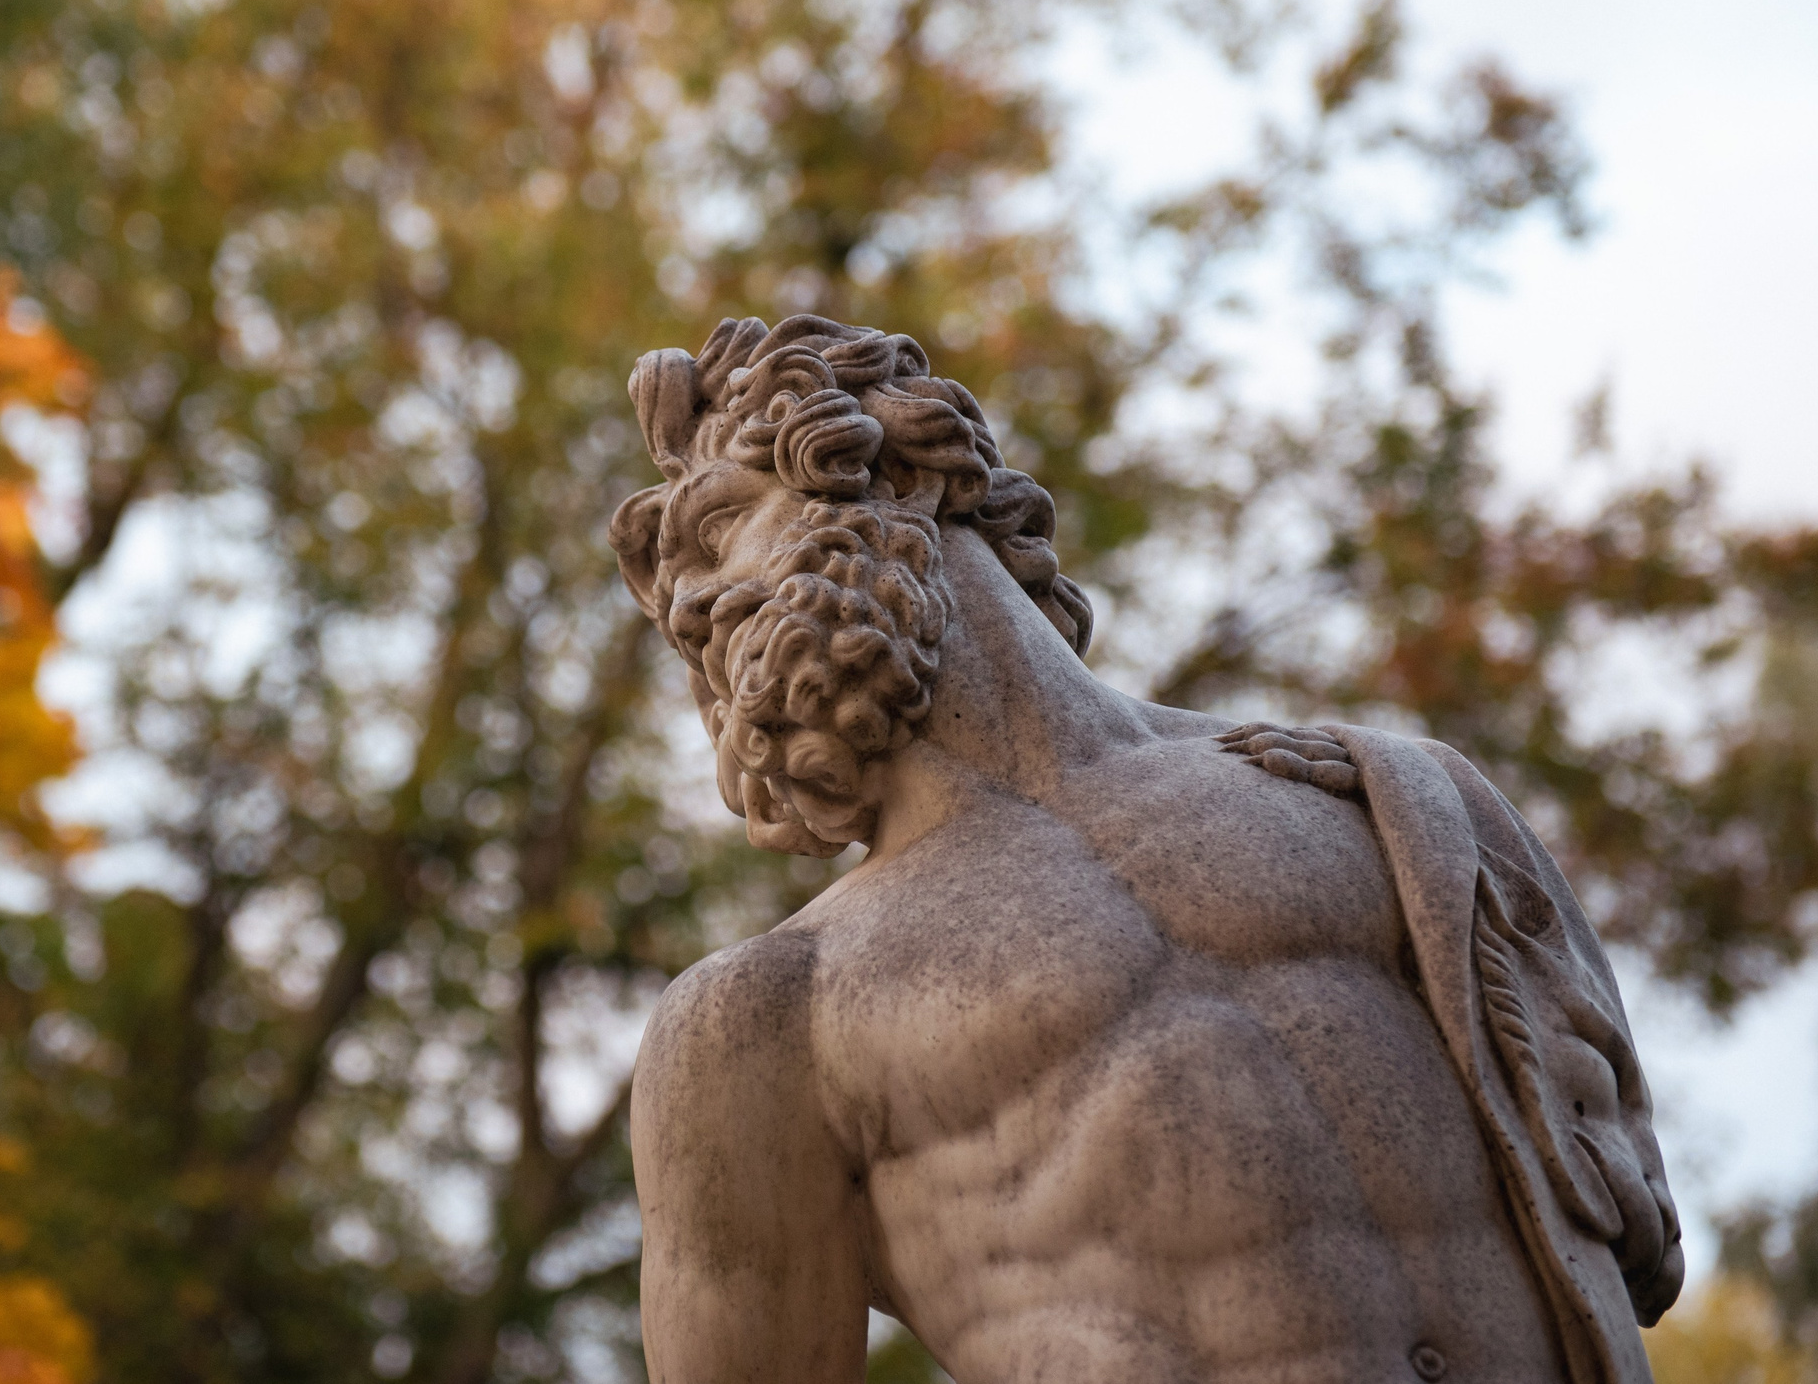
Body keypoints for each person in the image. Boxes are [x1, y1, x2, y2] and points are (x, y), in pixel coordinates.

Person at [611, 315, 1682, 1384]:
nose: (699, 606)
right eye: (679, 610)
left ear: (893, 470)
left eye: (717, 531)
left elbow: (1625, 1232)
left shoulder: (1386, 798)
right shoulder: (765, 1017)